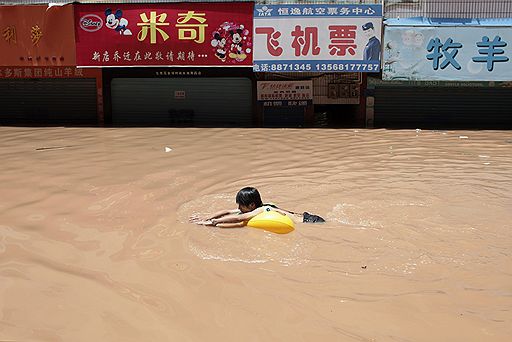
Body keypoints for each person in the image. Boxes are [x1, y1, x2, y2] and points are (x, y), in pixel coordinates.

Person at [189, 187, 325, 228]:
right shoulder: (260, 207)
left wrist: (212, 223)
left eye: (241, 205)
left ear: (252, 205)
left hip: (311, 222)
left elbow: (240, 219)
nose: (238, 208)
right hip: (306, 216)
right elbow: (228, 211)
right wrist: (206, 217)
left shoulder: (260, 210)